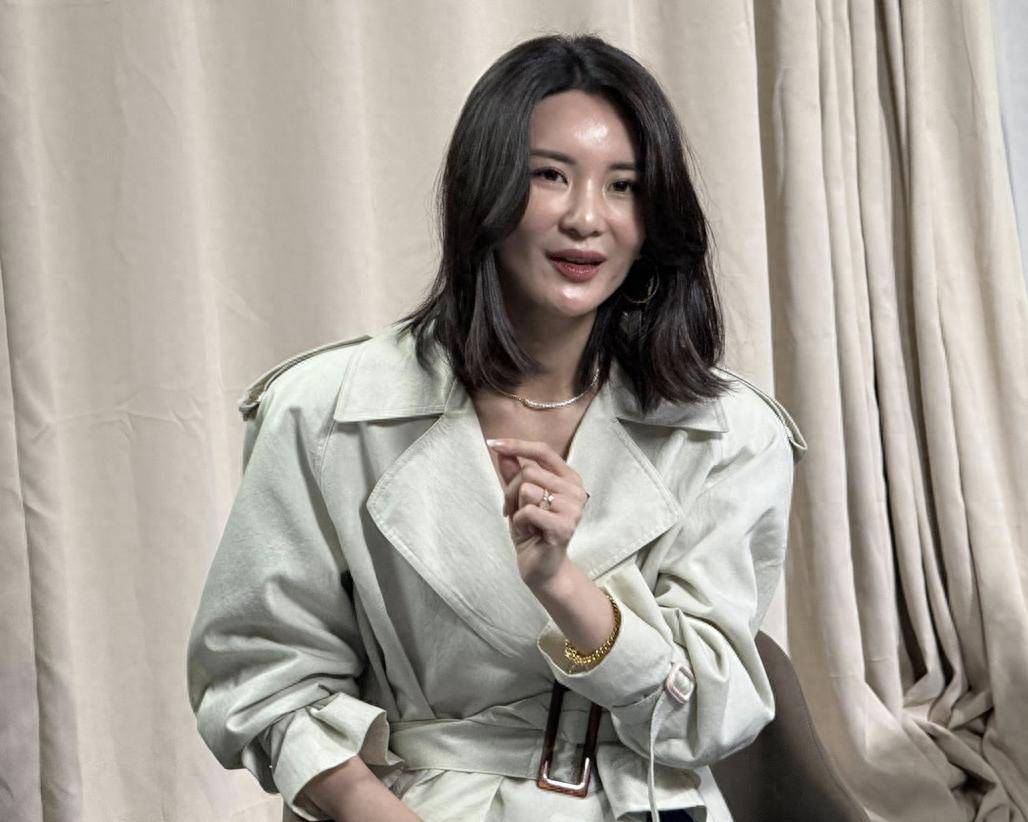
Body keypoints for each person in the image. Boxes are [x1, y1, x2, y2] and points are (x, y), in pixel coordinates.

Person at [187, 33, 806, 822]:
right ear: (486, 188)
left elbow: (707, 719)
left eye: (623, 186)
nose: (587, 218)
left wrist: (565, 588)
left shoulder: (727, 432)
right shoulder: (328, 411)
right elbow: (259, 680)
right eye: (551, 176)